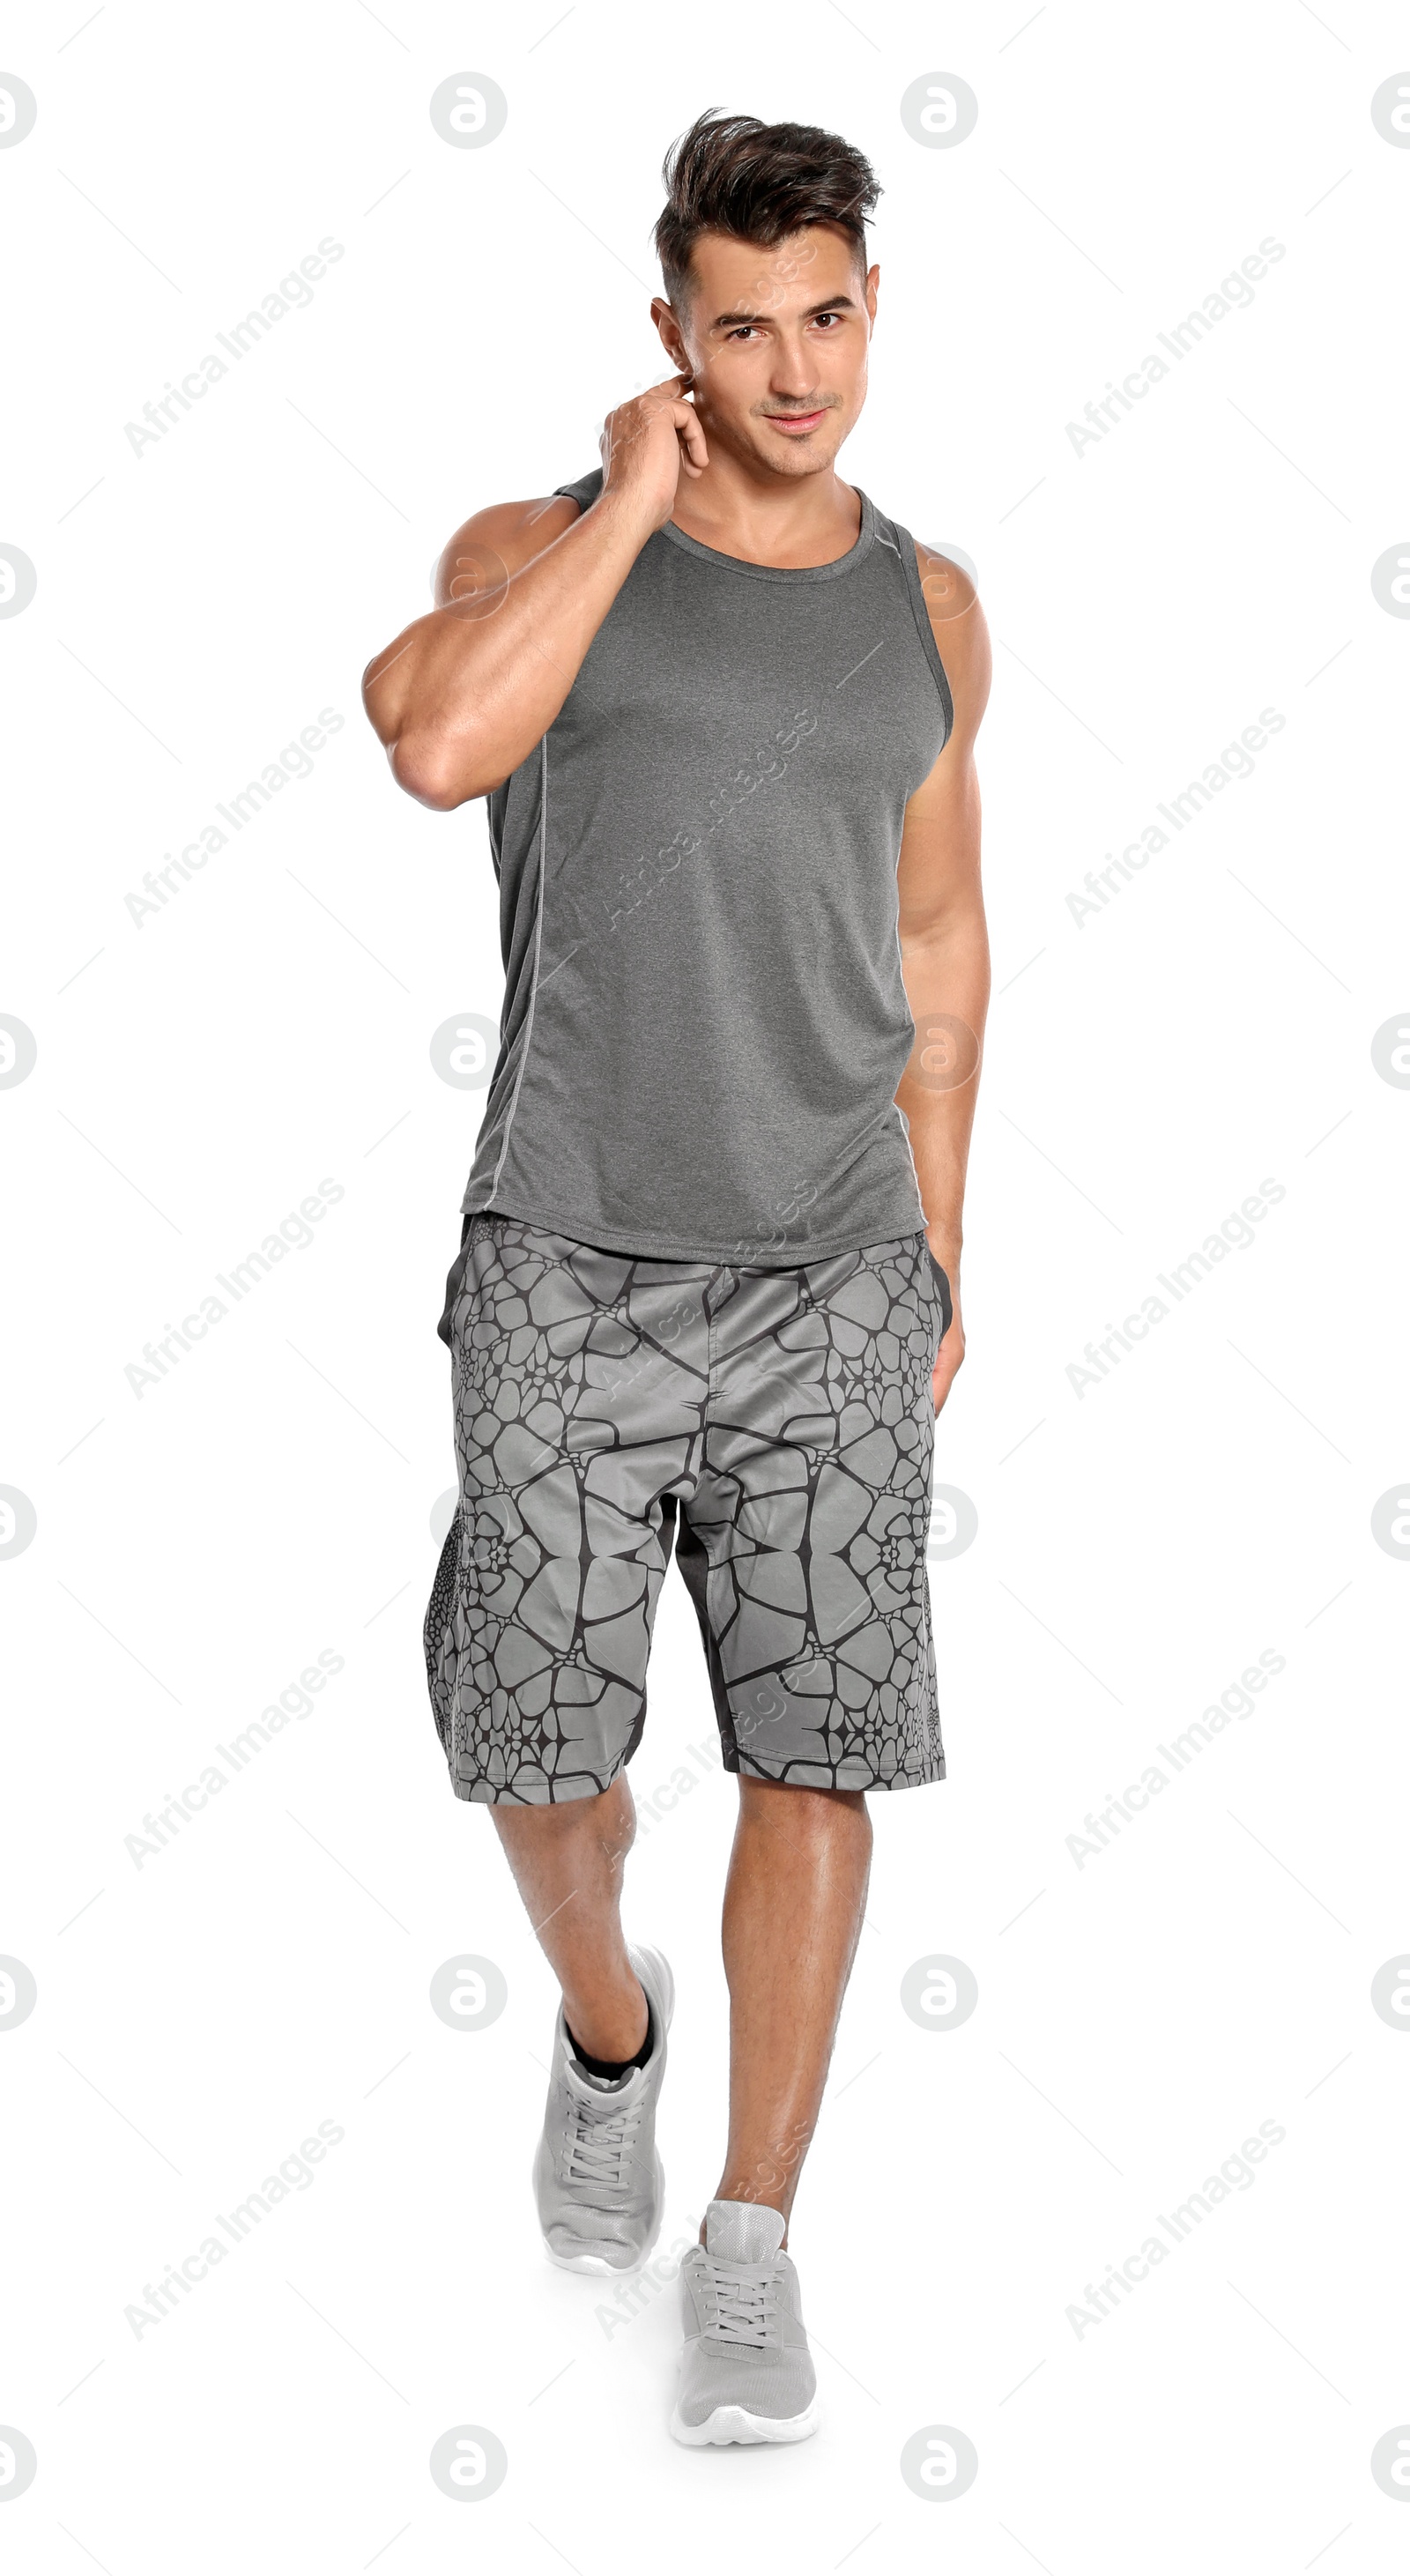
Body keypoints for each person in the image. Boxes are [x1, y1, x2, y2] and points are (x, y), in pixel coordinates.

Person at [363, 108, 991, 2447]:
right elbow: (435, 742)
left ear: (865, 309)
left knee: (821, 1757)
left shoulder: (929, 604)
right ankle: (608, 2028)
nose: (798, 366)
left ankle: (753, 2243)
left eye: (829, 315)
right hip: (567, 1256)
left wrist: (945, 1224)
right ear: (674, 335)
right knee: (541, 1752)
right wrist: (634, 499)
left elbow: (936, 930)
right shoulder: (536, 550)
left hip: (832, 1264)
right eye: (747, 326)